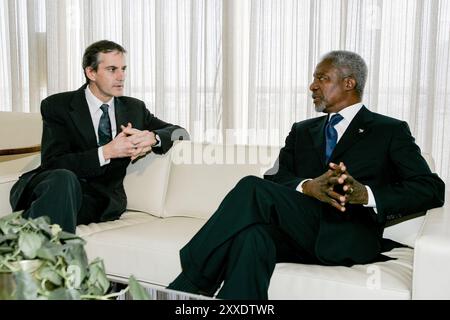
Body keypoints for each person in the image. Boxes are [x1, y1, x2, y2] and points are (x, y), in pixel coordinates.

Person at [167, 50, 445, 299]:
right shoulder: (302, 130)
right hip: (299, 232)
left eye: (322, 78)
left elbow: (431, 188)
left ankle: (191, 284)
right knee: (251, 237)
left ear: (349, 83)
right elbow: (275, 178)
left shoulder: (389, 130)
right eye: (314, 78)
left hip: (349, 234)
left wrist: (367, 195)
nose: (312, 86)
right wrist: (308, 186)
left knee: (250, 188)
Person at [10, 40, 188, 233]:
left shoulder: (134, 108)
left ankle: (29, 248)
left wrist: (153, 137)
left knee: (50, 215)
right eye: (112, 69)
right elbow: (53, 163)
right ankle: (45, 254)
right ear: (91, 73)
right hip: (51, 186)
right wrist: (106, 152)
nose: (121, 76)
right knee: (63, 179)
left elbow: (180, 133)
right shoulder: (58, 105)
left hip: (96, 202)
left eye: (123, 69)